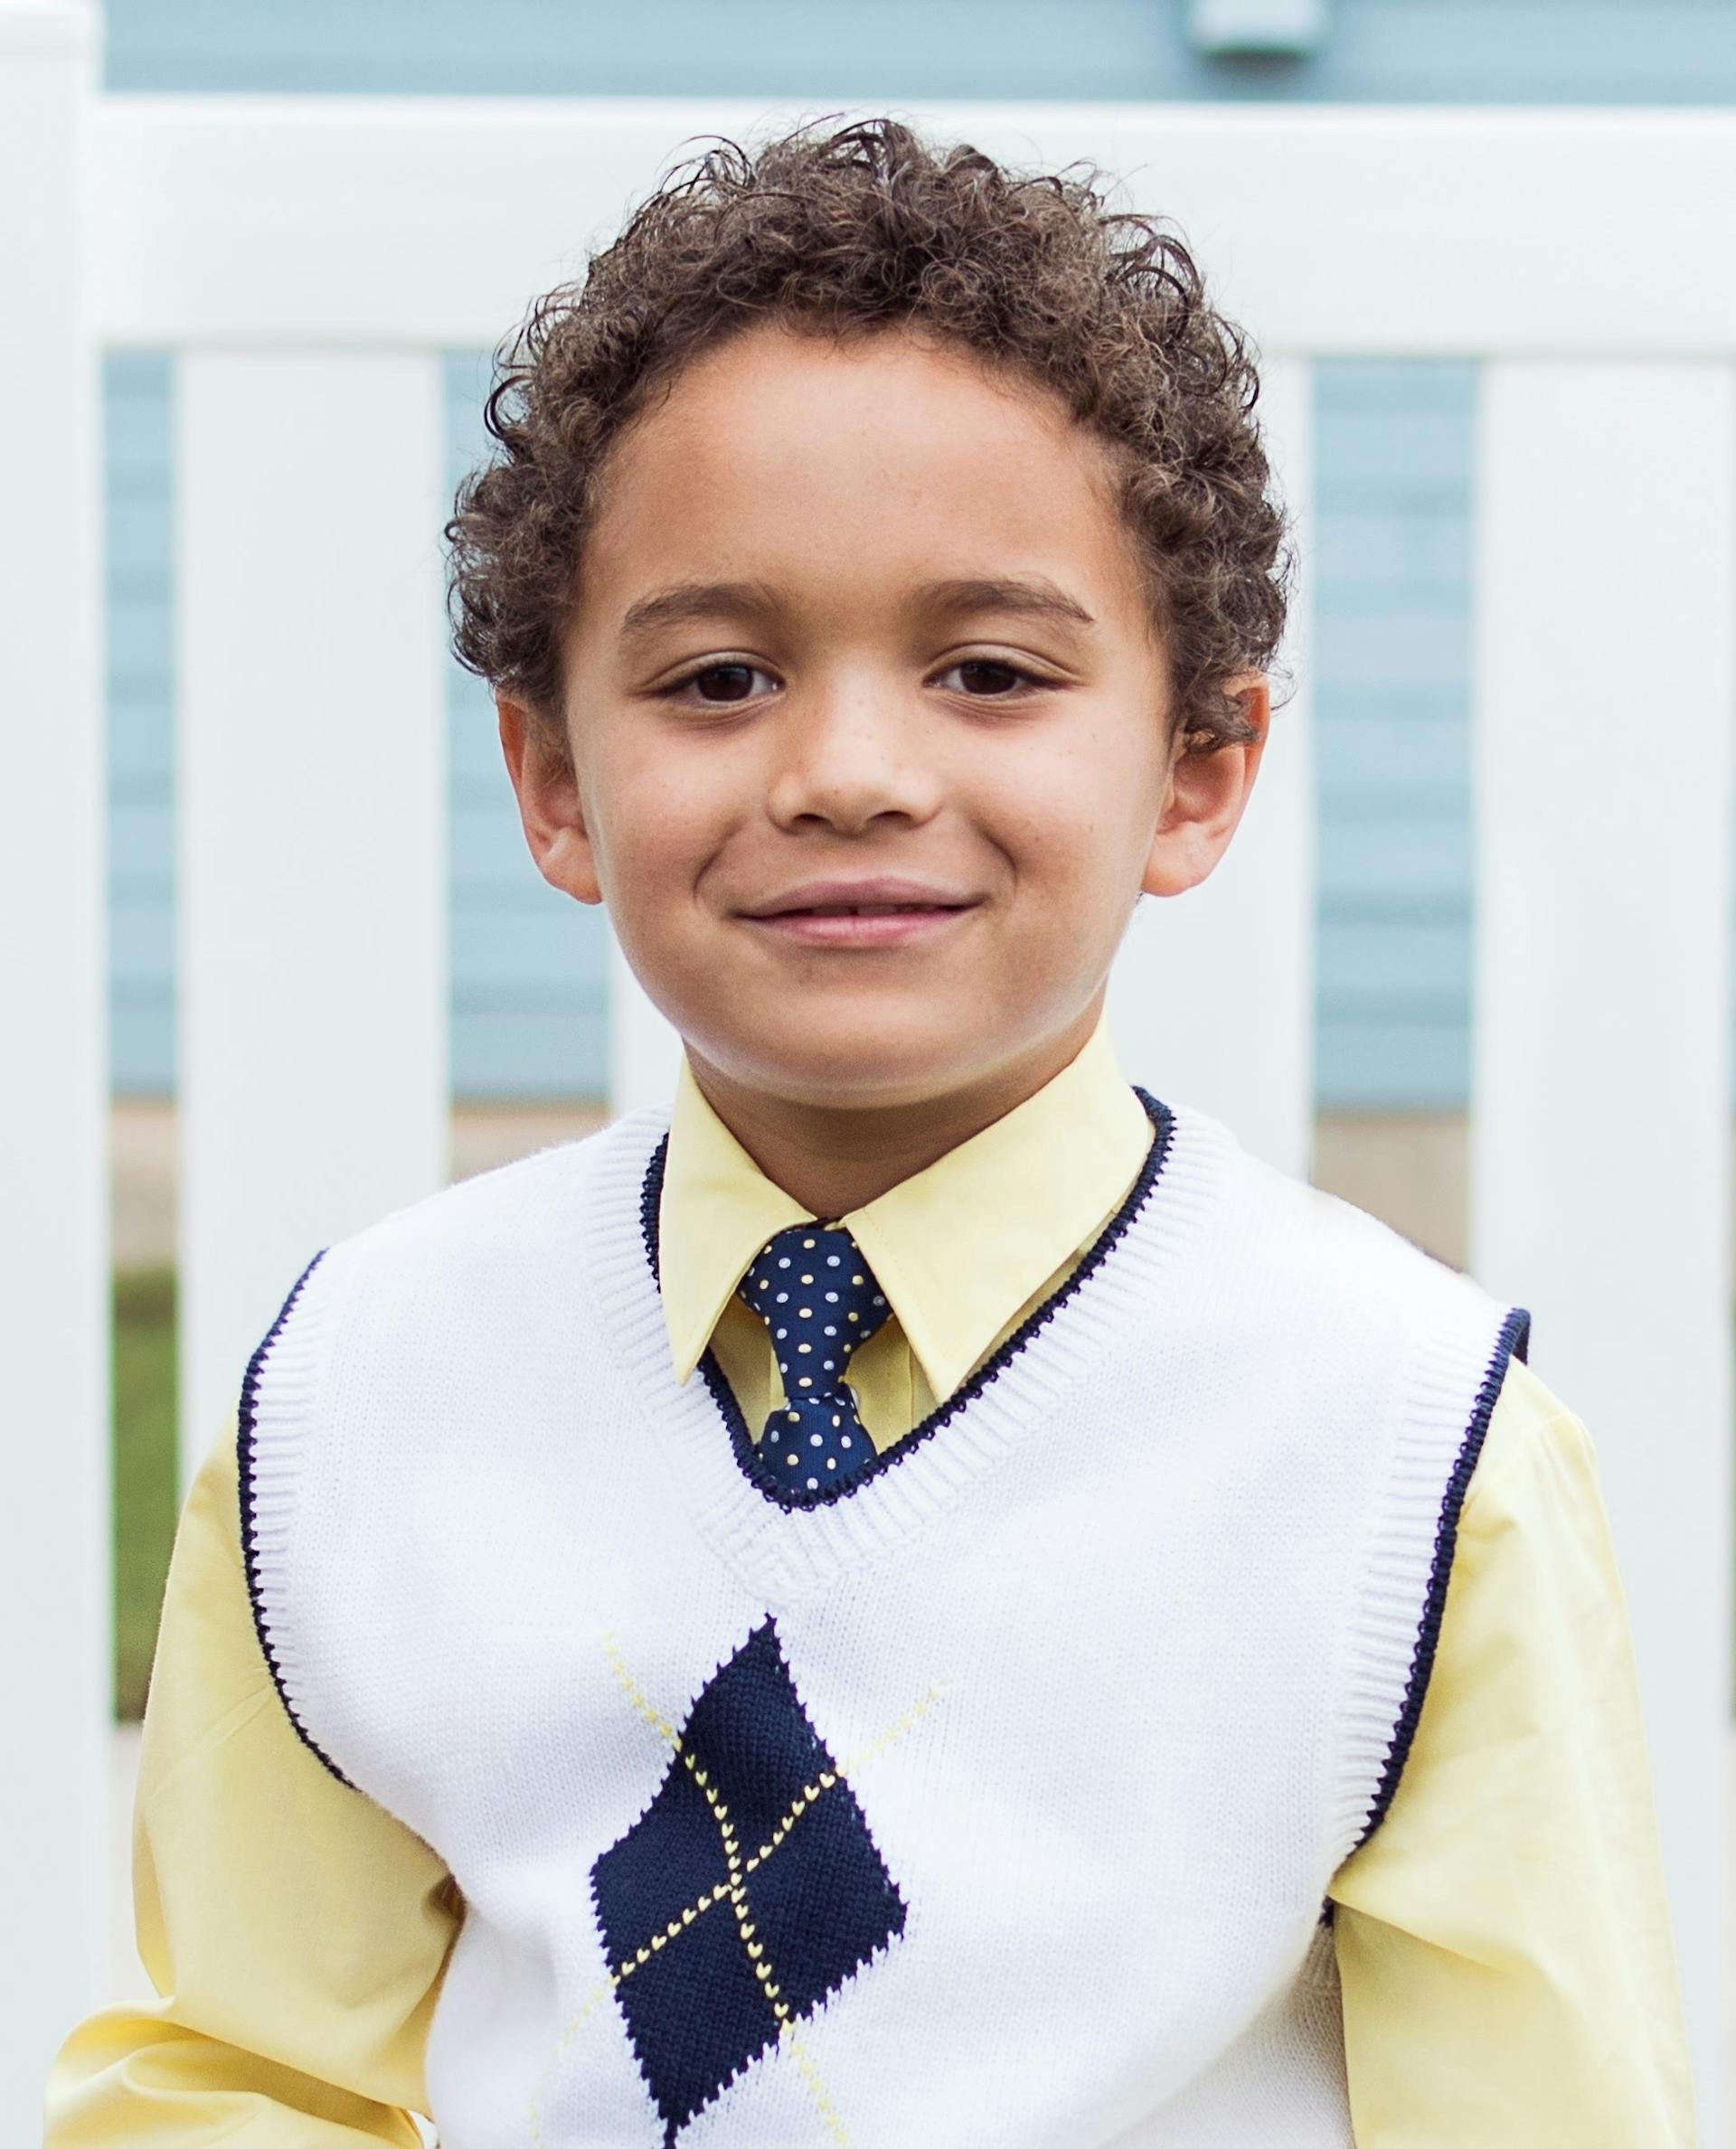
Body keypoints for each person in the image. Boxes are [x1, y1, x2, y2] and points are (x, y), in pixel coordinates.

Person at [46, 118, 1694, 2146]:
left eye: (988, 671)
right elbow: (242, 2071)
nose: (846, 770)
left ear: (1195, 769)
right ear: (554, 779)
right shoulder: (361, 1391)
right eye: (721, 676)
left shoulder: (1409, 1455)